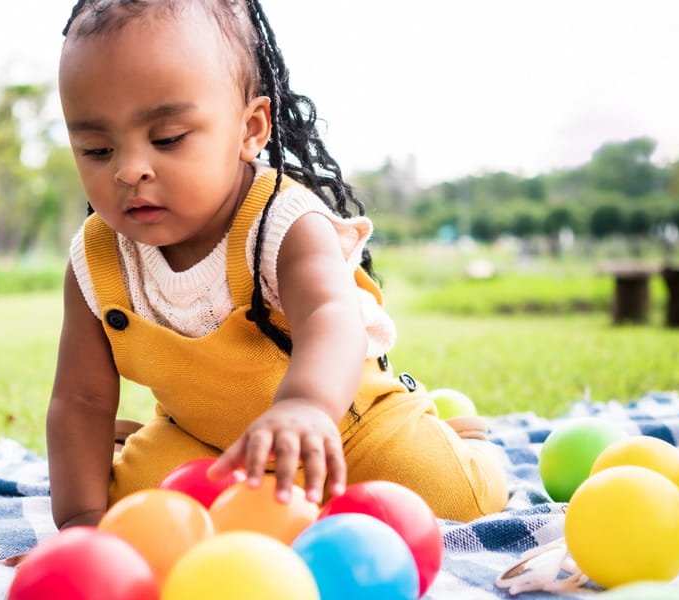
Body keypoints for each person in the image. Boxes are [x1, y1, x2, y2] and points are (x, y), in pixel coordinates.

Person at [45, 0, 507, 532]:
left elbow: (333, 322)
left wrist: (307, 407)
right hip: (203, 438)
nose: (130, 170)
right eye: (96, 149)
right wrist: (79, 523)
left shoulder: (282, 222)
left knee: (445, 496)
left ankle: (465, 442)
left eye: (167, 138)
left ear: (251, 129)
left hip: (344, 425)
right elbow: (79, 399)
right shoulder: (98, 260)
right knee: (134, 518)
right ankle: (137, 453)